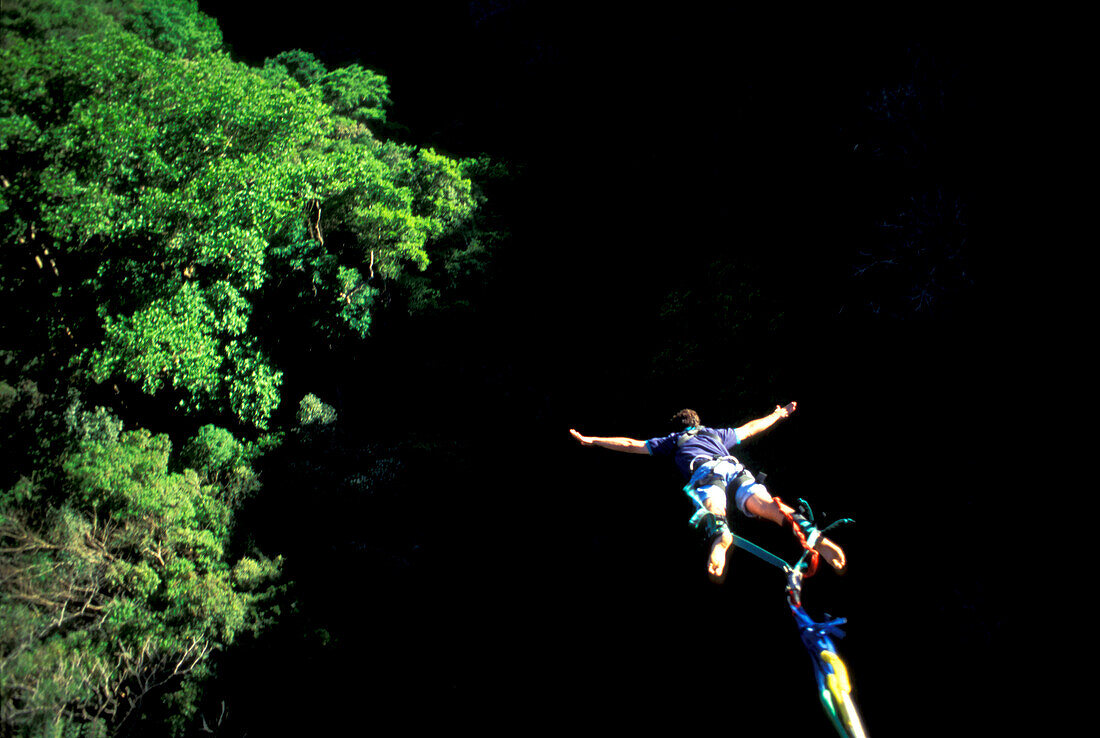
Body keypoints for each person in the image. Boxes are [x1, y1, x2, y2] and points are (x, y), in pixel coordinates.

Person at [569, 402, 846, 583]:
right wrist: (778, 414)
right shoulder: (716, 433)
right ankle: (812, 535)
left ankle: (720, 536)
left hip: (705, 473)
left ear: (678, 427)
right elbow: (750, 429)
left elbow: (632, 444)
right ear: (697, 422)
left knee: (715, 509)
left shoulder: (674, 440)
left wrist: (593, 440)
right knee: (769, 507)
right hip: (735, 469)